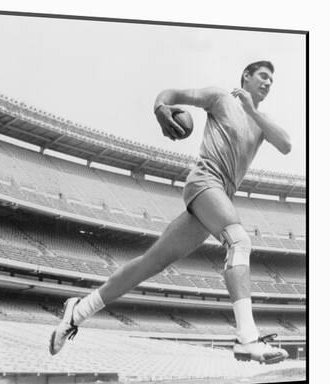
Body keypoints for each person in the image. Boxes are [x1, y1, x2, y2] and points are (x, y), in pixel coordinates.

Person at [49, 61, 292, 364]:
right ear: (246, 76)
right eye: (263, 76)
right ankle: (247, 338)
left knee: (150, 263)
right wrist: (160, 107)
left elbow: (286, 145)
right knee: (239, 242)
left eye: (272, 79)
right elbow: (172, 93)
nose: (268, 83)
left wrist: (253, 111)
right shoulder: (221, 97)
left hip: (218, 197)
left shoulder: (260, 121)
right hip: (205, 183)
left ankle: (79, 310)